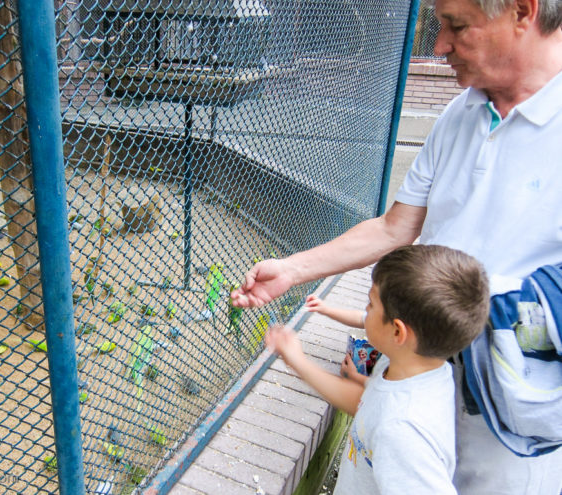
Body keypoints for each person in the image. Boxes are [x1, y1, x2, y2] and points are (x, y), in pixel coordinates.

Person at [231, 0, 562, 492]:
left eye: (455, 26)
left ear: (521, 11)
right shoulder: (461, 112)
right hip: (424, 370)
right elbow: (394, 227)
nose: (439, 45)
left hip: (510, 419)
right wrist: (294, 270)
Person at [266, 245, 490, 495]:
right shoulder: (420, 369)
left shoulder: (403, 430)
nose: (366, 312)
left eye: (370, 305)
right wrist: (299, 362)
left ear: (398, 332)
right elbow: (366, 405)